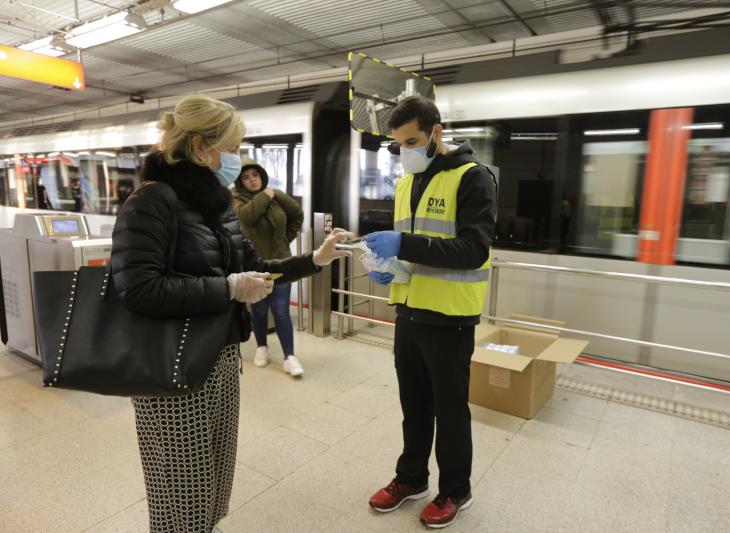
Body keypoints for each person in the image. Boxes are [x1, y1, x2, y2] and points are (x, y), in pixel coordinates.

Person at [109, 95, 351, 533]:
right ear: (201, 146)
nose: (238, 160)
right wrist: (227, 288)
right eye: (233, 148)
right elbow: (139, 289)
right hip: (172, 365)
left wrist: (315, 259)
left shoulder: (217, 205)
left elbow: (253, 266)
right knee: (180, 486)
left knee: (215, 471)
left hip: (219, 355)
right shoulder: (150, 202)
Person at [365, 96, 497, 529]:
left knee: (450, 410)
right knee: (414, 405)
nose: (405, 151)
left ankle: (456, 490)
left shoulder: (472, 178)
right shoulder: (407, 182)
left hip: (450, 317)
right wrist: (391, 266)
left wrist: (404, 245)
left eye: (412, 142)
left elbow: (473, 250)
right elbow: (413, 248)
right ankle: (411, 479)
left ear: (436, 132)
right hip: (409, 311)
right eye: (399, 144)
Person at [233, 159, 305, 375]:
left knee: (281, 311)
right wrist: (266, 195)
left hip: (280, 263)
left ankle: (289, 356)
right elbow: (248, 217)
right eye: (246, 177)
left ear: (262, 176)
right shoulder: (238, 201)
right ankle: (261, 347)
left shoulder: (275, 196)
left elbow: (297, 215)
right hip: (256, 266)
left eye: (255, 175)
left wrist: (284, 240)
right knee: (259, 309)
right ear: (240, 182)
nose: (252, 180)